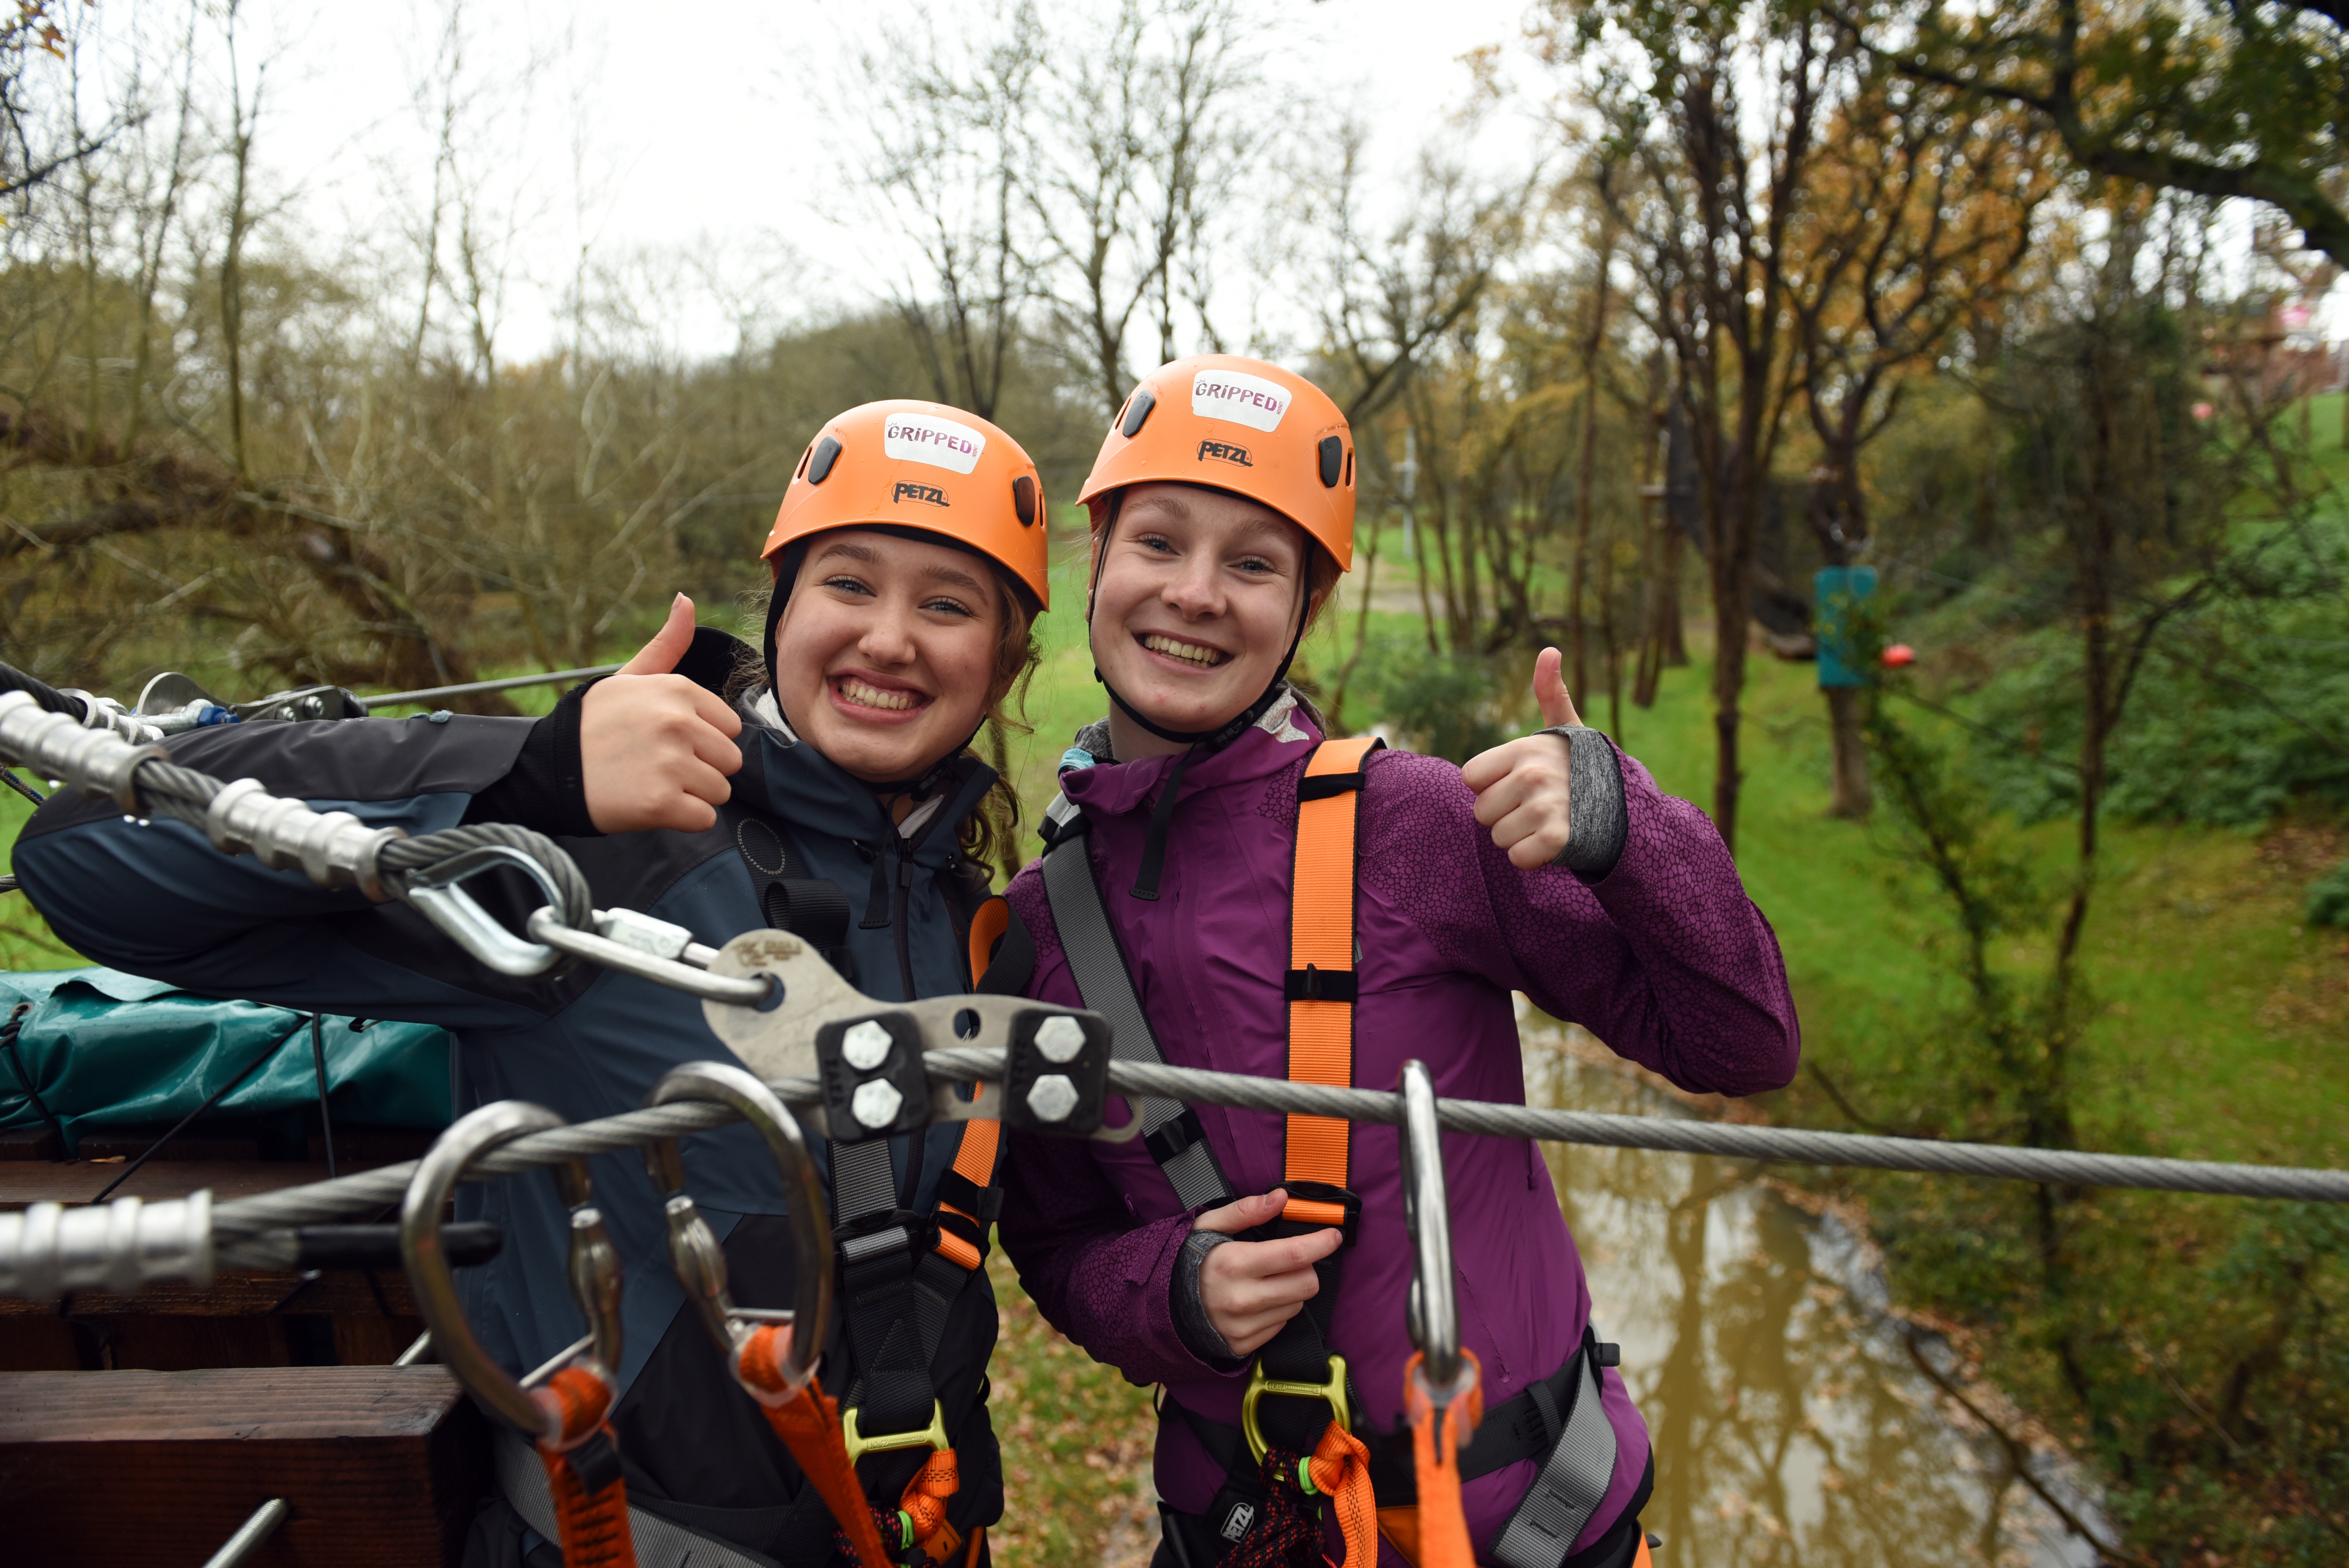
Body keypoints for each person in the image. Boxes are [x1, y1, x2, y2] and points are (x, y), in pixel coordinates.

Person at [13, 400, 1054, 1568]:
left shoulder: (974, 921)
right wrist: (522, 781)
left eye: (949, 605)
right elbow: (82, 850)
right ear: (784, 607)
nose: (891, 638)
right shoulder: (602, 858)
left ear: (1005, 661)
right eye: (850, 584)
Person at [985, 356, 1800, 1568]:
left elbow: (1741, 1044)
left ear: (1305, 609)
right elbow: (1051, 1242)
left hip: (1526, 1525)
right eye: (1159, 542)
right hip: (1241, 1528)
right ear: (1095, 561)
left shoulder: (1416, 826)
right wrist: (1168, 1296)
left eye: (1255, 563)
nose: (1197, 594)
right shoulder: (1036, 927)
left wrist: (1628, 826)